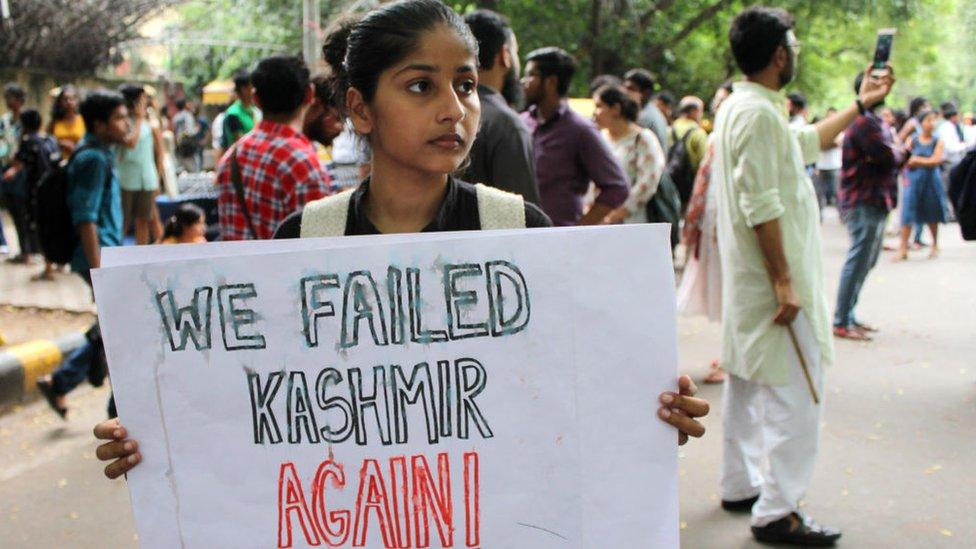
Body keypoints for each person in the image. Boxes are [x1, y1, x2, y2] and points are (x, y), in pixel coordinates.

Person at [93, 0, 709, 481]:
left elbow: (566, 394)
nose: (454, 109)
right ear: (360, 109)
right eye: (422, 86)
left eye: (465, 85)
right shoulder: (305, 240)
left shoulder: (517, 232)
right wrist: (150, 436)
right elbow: (248, 410)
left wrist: (646, 416)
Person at [712, 7, 892, 545]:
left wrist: (862, 104)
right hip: (773, 290)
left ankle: (740, 484)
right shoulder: (759, 115)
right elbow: (760, 202)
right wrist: (786, 281)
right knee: (798, 397)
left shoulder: (745, 107)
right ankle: (778, 510)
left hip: (751, 288)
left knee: (745, 388)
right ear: (780, 55)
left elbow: (808, 141)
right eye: (794, 45)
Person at [36, 90, 129, 419]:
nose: (126, 123)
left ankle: (61, 383)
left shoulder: (101, 154)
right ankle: (114, 407)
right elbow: (85, 217)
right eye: (119, 118)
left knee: (109, 325)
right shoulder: (92, 159)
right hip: (97, 256)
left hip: (105, 253)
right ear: (101, 124)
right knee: (117, 327)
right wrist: (98, 270)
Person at [214, 55, 332, 241]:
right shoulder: (304, 166)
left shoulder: (231, 157)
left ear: (256, 100)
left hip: (236, 270)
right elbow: (319, 253)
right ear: (310, 95)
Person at [833, 72, 906, 341]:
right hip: (863, 200)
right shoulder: (864, 122)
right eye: (876, 84)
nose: (883, 88)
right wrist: (900, 149)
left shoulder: (874, 121)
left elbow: (891, 152)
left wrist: (897, 149)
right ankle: (841, 320)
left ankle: (848, 316)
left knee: (867, 260)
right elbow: (888, 155)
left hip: (875, 199)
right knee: (859, 260)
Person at [521, 47, 630, 226]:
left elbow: (617, 187)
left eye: (531, 75)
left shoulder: (579, 130)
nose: (524, 82)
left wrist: (577, 231)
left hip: (558, 242)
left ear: (551, 82)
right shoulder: (521, 123)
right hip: (517, 239)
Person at [678, 80, 735, 385]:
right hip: (716, 224)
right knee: (728, 293)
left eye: (723, 101)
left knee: (734, 295)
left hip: (730, 227)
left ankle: (732, 360)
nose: (717, 106)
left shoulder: (730, 137)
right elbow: (703, 185)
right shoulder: (717, 138)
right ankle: (731, 356)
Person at [462, 9, 540, 203]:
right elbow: (522, 218)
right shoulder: (507, 125)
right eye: (516, 51)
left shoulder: (438, 114)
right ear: (505, 54)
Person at [591, 84, 665, 224]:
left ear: (616, 109)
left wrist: (615, 215)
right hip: (598, 222)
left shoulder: (642, 139)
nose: (595, 112)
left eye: (599, 106)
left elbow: (648, 182)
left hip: (632, 223)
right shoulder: (600, 138)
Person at [1, 110, 60, 270]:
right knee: (48, 223)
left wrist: (7, 175)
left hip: (33, 192)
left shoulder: (28, 142)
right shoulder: (50, 139)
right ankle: (52, 262)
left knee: (28, 223)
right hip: (52, 189)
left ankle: (31, 255)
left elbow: (17, 165)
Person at [116, 84, 165, 246]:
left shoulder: (150, 123)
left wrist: (157, 178)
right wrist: (137, 119)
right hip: (126, 180)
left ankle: (141, 254)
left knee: (143, 220)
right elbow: (131, 143)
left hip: (147, 179)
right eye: (142, 99)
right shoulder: (122, 122)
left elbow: (159, 154)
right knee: (122, 221)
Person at [896, 110, 948, 260]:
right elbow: (904, 157)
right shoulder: (912, 140)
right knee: (908, 212)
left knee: (932, 212)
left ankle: (935, 244)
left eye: (934, 120)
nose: (931, 123)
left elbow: (936, 160)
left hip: (931, 180)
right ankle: (903, 247)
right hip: (913, 180)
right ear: (921, 123)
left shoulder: (938, 140)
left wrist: (917, 161)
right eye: (928, 120)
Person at [1, 84, 27, 261]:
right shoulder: (4, 120)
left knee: (22, 211)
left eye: (11, 97)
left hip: (21, 171)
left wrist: (17, 167)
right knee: (9, 208)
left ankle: (26, 251)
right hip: (5, 167)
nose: (8, 101)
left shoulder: (26, 120)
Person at [671, 95, 709, 207]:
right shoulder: (698, 133)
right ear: (694, 111)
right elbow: (704, 163)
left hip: (670, 184)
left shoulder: (669, 129)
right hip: (690, 188)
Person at [622, 69, 668, 151]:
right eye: (624, 88)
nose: (624, 93)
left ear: (645, 93)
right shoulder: (652, 110)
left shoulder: (643, 118)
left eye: (630, 89)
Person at [220, 71, 261, 150]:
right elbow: (240, 142)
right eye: (252, 86)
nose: (255, 90)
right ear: (244, 89)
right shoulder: (233, 113)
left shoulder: (255, 111)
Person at [48, 85, 86, 159]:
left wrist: (74, 149)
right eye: (65, 99)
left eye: (72, 99)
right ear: (60, 102)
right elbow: (48, 141)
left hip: (79, 161)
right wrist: (60, 143)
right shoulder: (55, 121)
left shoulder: (84, 120)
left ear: (77, 101)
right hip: (58, 163)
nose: (68, 102)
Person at [815, 107, 842, 208]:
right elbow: (819, 144)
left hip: (835, 166)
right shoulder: (822, 128)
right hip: (821, 166)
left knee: (837, 193)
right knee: (820, 194)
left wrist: (826, 143)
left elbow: (837, 143)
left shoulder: (840, 129)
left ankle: (842, 216)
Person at [172, 97, 200, 172]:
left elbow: (174, 131)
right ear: (185, 105)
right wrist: (196, 129)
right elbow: (190, 131)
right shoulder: (188, 115)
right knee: (194, 165)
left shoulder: (175, 117)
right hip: (189, 143)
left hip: (180, 143)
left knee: (182, 165)